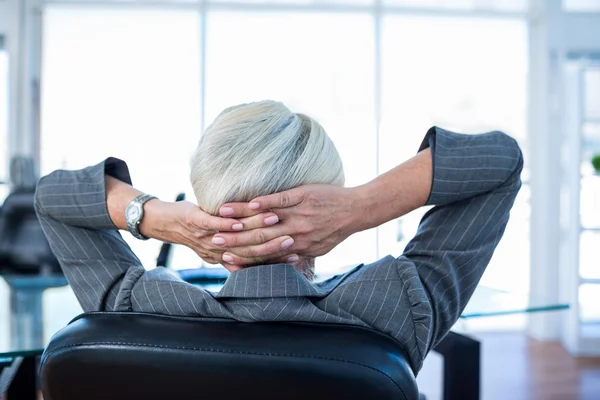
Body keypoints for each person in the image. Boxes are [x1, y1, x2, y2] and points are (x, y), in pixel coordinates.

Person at [35, 100, 522, 374]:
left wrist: (156, 216)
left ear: (207, 199)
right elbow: (500, 163)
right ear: (325, 201)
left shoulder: (134, 307)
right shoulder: (399, 306)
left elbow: (52, 197)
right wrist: (361, 207)